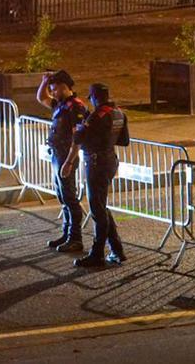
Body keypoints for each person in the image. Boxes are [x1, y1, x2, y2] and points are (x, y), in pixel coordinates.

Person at [62, 82, 130, 268]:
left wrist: (82, 128)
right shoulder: (119, 113)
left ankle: (97, 254)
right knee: (101, 206)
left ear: (94, 97)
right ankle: (116, 249)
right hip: (110, 160)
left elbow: (78, 138)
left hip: (96, 163)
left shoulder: (96, 116)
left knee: (97, 210)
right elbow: (124, 140)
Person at [36, 68, 88, 253]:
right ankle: (66, 234)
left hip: (66, 156)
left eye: (55, 88)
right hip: (57, 154)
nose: (52, 92)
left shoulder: (75, 107)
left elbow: (77, 138)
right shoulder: (61, 104)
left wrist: (69, 161)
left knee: (70, 198)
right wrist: (44, 81)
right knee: (62, 196)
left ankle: (75, 238)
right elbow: (41, 98)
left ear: (65, 87)